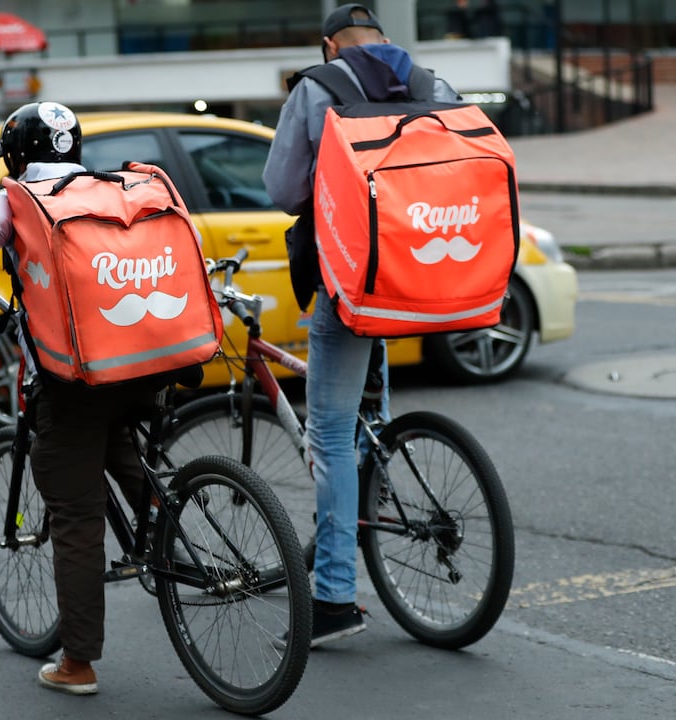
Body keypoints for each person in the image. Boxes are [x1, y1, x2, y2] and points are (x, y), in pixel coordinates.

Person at [262, 4, 462, 647]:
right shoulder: (433, 84)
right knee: (362, 415)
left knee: (328, 437)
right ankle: (364, 495)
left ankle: (335, 597)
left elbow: (283, 189)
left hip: (354, 286)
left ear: (330, 46)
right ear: (381, 36)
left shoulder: (317, 88)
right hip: (428, 275)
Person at [0, 102, 156, 696]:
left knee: (74, 517)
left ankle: (78, 663)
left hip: (72, 382)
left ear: (16, 156)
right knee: (120, 446)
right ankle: (166, 528)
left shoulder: (12, 202)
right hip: (141, 364)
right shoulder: (109, 188)